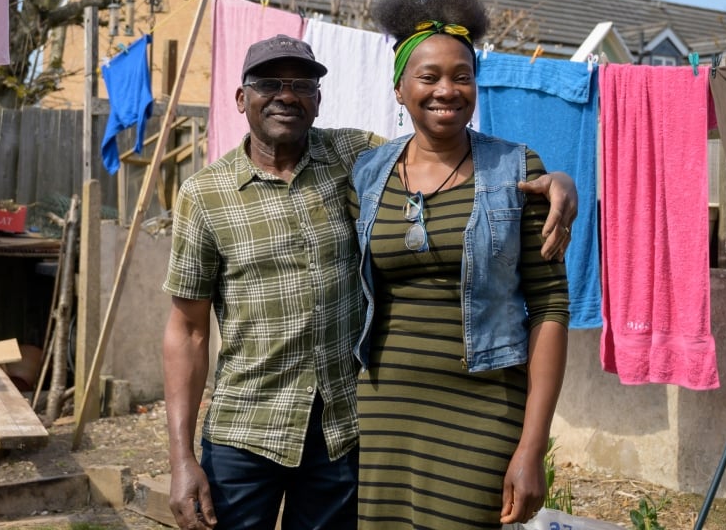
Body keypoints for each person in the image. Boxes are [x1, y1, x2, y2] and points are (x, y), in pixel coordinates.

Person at [162, 32, 576, 530]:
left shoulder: (355, 159)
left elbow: (439, 148)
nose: (286, 95)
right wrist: (181, 457)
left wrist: (560, 180)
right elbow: (187, 330)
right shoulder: (205, 195)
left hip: (344, 430)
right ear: (240, 98)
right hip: (248, 428)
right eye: (268, 83)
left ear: (318, 100)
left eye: (302, 84)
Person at [348, 0, 570, 529]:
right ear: (400, 88)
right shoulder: (368, 171)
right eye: (429, 77)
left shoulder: (519, 171)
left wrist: (532, 447)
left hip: (483, 403)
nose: (447, 89)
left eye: (461, 76)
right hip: (386, 406)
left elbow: (550, 307)